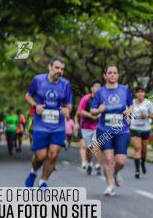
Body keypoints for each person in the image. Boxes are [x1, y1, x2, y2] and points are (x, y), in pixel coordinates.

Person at [23, 58, 73, 188]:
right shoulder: (38, 80)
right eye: (57, 68)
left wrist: (67, 110)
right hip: (41, 124)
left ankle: (43, 181)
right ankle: (33, 172)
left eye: (62, 69)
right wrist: (35, 106)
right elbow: (27, 96)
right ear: (49, 67)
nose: (59, 71)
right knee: (40, 156)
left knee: (53, 155)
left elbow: (69, 104)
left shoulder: (65, 84)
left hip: (58, 125)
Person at [90, 65, 133, 196]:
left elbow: (131, 105)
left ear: (118, 75)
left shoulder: (125, 90)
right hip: (104, 129)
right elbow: (92, 111)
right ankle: (110, 186)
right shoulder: (100, 92)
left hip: (122, 130)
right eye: (110, 72)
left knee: (120, 161)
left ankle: (115, 172)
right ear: (105, 75)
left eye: (115, 72)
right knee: (108, 159)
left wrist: (129, 111)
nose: (112, 75)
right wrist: (98, 110)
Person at [130, 87, 153, 178]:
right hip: (134, 128)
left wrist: (147, 115)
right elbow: (127, 112)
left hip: (145, 129)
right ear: (136, 94)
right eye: (138, 92)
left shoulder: (148, 103)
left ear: (144, 94)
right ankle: (137, 170)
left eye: (142, 92)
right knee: (137, 148)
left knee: (144, 148)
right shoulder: (132, 102)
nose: (140, 94)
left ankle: (143, 162)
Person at [77, 81, 102, 175]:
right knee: (89, 148)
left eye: (99, 87)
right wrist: (91, 115)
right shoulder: (86, 98)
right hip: (86, 126)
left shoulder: (103, 99)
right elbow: (80, 111)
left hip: (99, 126)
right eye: (95, 86)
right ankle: (89, 163)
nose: (98, 88)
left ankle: (98, 165)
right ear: (91, 88)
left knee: (98, 145)